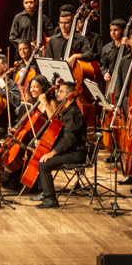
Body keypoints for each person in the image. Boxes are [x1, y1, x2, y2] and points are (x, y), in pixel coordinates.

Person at [34, 80, 86, 209]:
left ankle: (50, 199)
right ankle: (45, 192)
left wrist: (53, 152)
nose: (58, 93)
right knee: (40, 154)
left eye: (61, 91)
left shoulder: (73, 114)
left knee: (44, 164)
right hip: (70, 151)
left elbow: (69, 140)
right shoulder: (66, 110)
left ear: (70, 95)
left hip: (76, 153)